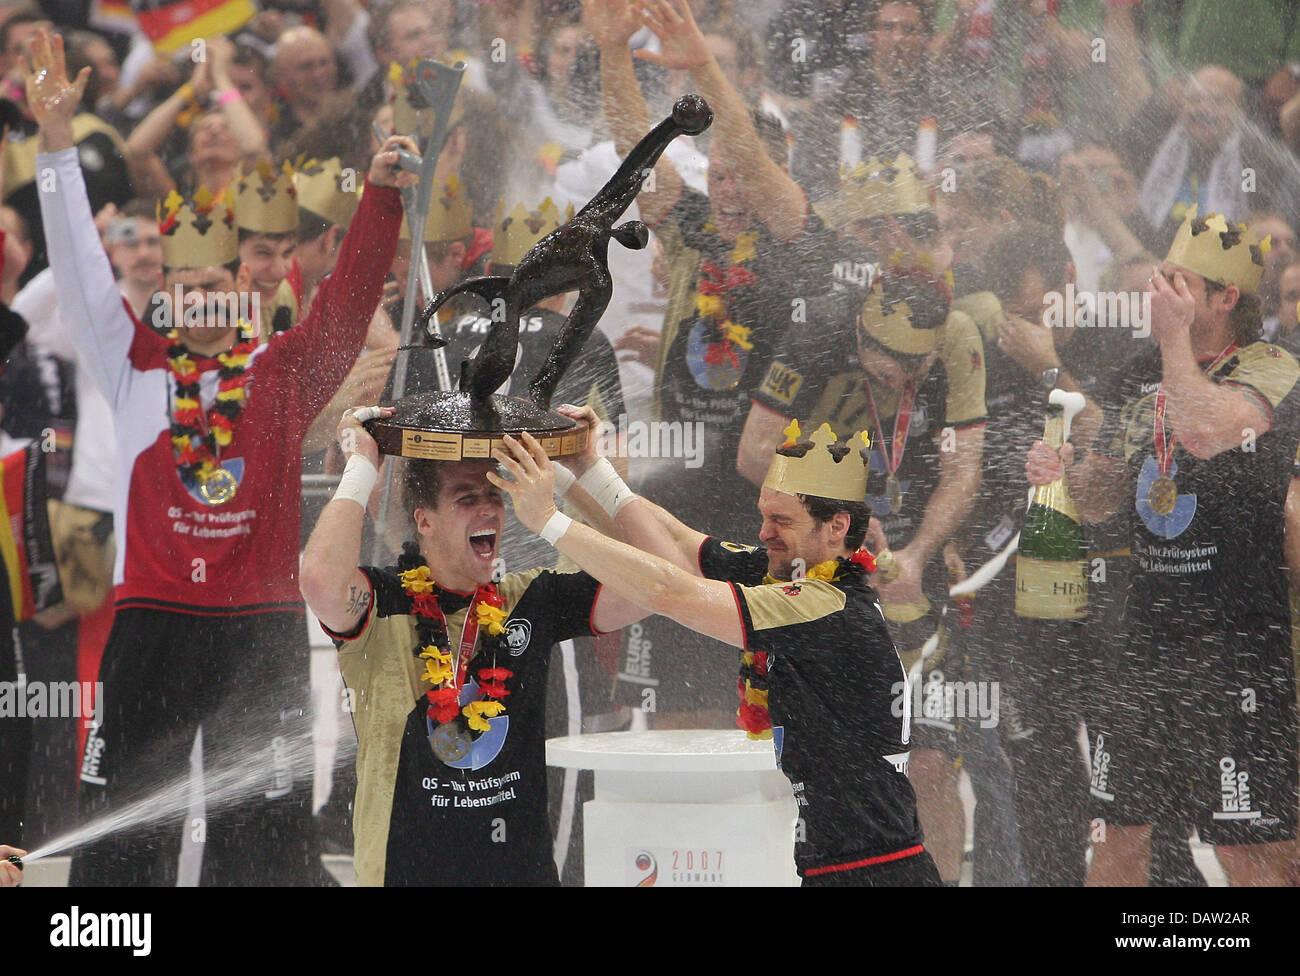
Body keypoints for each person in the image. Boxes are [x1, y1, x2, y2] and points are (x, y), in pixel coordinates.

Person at [26, 27, 413, 885]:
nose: (200, 296)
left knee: (268, 841)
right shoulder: (131, 369)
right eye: (184, 284)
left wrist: (380, 200)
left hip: (258, 636)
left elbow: (348, 309)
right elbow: (80, 262)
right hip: (153, 627)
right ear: (162, 295)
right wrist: (56, 141)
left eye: (215, 282)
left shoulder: (280, 375)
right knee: (123, 843)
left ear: (245, 290)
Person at [489, 412, 940, 886]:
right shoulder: (789, 571)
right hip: (841, 869)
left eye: (781, 520)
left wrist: (548, 521)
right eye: (763, 514)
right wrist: (581, 467)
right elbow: (676, 546)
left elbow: (671, 592)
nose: (764, 533)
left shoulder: (830, 609)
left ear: (836, 527)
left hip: (878, 874)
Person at [1027, 208, 1300, 885]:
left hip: (1239, 640)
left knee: (1250, 846)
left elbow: (1211, 431)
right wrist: (1069, 473)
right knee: (1118, 831)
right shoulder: (1135, 372)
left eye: (1178, 282)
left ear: (1225, 298)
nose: (1159, 292)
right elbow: (1109, 497)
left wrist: (1173, 343)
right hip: (1148, 637)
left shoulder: (1272, 368)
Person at [297, 405, 649, 886]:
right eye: (466, 498)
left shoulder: (527, 600)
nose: (489, 508)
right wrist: (362, 466)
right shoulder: (382, 604)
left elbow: (650, 577)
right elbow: (318, 579)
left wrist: (583, 470)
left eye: (494, 494)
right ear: (424, 520)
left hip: (518, 873)